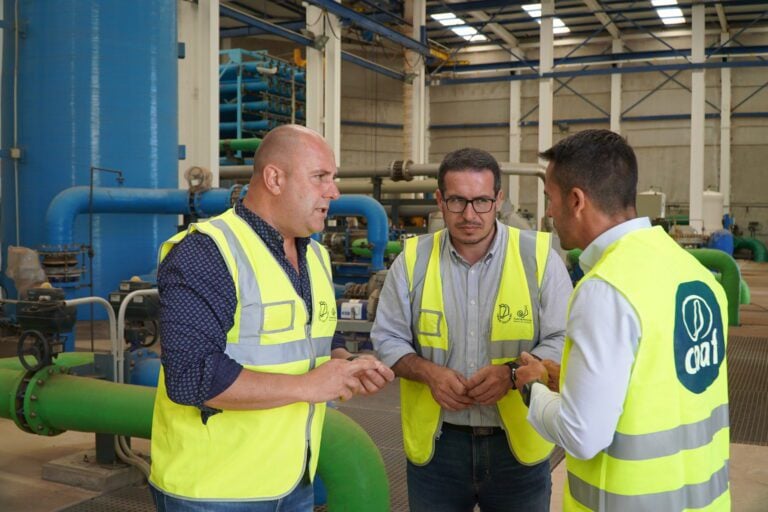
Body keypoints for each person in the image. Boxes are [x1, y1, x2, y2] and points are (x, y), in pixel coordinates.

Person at [149, 125, 394, 511]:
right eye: (320, 178)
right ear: (275, 178)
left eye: (334, 179)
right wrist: (309, 387)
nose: (334, 192)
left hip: (291, 480)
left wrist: (344, 364)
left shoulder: (315, 256)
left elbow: (310, 340)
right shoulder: (208, 252)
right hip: (216, 491)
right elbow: (189, 375)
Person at [516, 129, 730, 511]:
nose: (548, 212)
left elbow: (582, 435)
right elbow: (659, 386)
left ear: (577, 200)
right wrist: (574, 382)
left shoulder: (606, 290)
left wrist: (533, 389)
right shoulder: (694, 274)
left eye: (550, 198)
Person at [371, 148, 572, 512]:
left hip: (518, 446)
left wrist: (512, 375)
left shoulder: (541, 258)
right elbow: (387, 338)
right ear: (439, 200)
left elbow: (564, 339)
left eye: (481, 201)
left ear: (499, 199)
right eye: (457, 201)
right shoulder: (412, 261)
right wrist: (429, 373)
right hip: (438, 448)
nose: (469, 215)